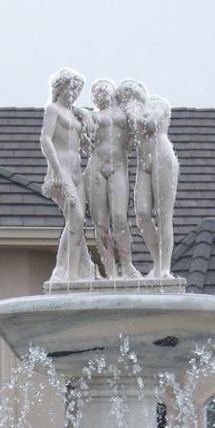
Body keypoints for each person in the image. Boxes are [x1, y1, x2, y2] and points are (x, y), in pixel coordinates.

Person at [40, 68, 96, 283]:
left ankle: (73, 270)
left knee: (77, 222)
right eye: (71, 87)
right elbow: (46, 140)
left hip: (75, 169)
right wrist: (56, 170)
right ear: (60, 87)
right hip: (61, 167)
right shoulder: (52, 109)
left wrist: (85, 117)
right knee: (76, 217)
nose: (74, 92)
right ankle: (65, 271)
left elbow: (82, 144)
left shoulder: (75, 113)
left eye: (78, 89)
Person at [118, 79, 178, 279]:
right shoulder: (128, 114)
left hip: (162, 157)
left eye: (129, 93)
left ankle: (165, 268)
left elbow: (151, 124)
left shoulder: (157, 103)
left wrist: (134, 114)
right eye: (123, 96)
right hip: (144, 163)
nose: (127, 98)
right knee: (142, 214)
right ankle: (157, 261)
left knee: (163, 216)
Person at [82, 78, 141, 280]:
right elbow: (79, 137)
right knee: (101, 223)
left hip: (117, 166)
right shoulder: (92, 115)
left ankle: (127, 265)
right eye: (96, 91)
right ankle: (111, 271)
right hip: (96, 166)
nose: (100, 92)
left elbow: (139, 124)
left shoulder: (124, 114)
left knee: (119, 217)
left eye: (103, 88)